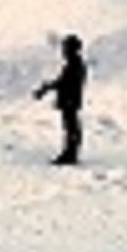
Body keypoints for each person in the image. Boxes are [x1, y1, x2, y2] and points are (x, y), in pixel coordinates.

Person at [34, 34, 88, 165]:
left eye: (65, 48)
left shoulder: (75, 65)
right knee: (70, 126)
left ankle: (70, 154)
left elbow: (65, 83)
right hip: (70, 100)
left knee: (71, 127)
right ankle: (70, 152)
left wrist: (47, 88)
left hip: (70, 100)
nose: (63, 52)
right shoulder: (74, 64)